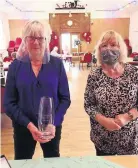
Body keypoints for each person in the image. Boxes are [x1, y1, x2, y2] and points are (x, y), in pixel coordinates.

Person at [4, 20, 71, 159]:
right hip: (23, 126)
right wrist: (29, 125)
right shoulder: (15, 66)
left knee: (53, 161)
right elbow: (9, 103)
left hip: (51, 127)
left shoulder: (57, 64)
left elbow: (65, 98)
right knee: (22, 163)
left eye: (40, 38)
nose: (35, 42)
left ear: (47, 40)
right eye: (31, 38)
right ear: (25, 40)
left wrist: (54, 122)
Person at [84, 30, 138, 156]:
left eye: (113, 45)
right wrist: (103, 120)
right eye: (104, 45)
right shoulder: (94, 75)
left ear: (121, 49)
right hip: (102, 139)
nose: (108, 49)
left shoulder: (134, 73)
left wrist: (127, 117)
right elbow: (88, 105)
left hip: (129, 139)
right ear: (99, 50)